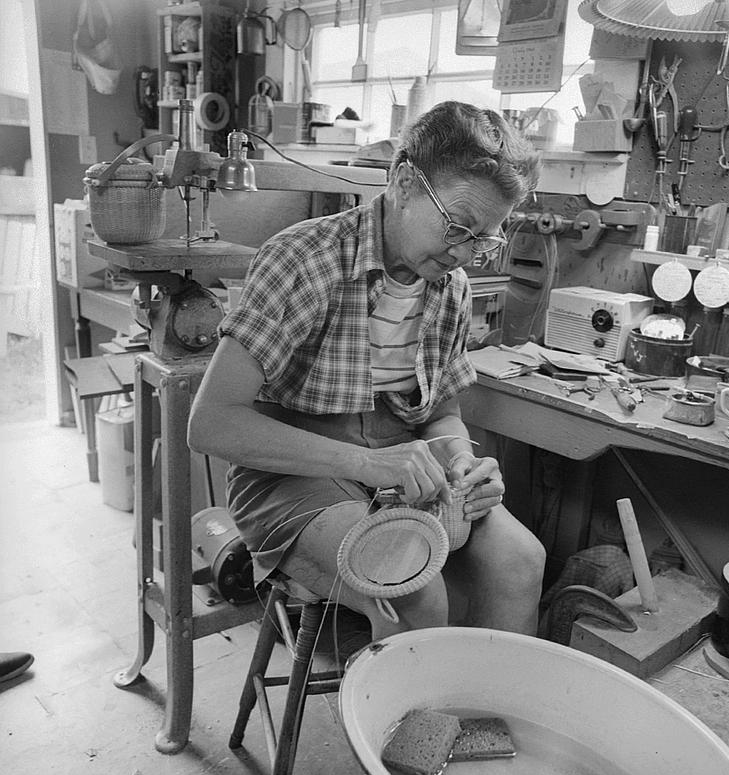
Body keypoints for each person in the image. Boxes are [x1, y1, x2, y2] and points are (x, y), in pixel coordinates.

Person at [188, 100, 545, 645]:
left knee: (521, 561)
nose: (466, 254)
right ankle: (413, 729)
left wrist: (462, 462)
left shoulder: (450, 288)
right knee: (413, 588)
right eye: (457, 227)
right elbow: (211, 424)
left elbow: (443, 416)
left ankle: (482, 726)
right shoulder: (305, 259)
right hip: (291, 472)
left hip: (399, 470)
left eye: (484, 239)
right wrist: (365, 461)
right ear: (404, 183)